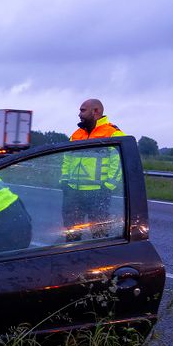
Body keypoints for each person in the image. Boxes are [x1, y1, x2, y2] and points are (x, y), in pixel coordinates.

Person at [61, 98, 125, 241]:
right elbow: (67, 158)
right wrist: (64, 180)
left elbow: (119, 162)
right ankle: (73, 259)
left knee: (99, 235)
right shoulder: (76, 134)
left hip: (97, 193)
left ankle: (100, 262)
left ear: (96, 111)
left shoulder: (113, 133)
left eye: (82, 110)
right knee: (71, 233)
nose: (79, 114)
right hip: (74, 192)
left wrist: (107, 186)